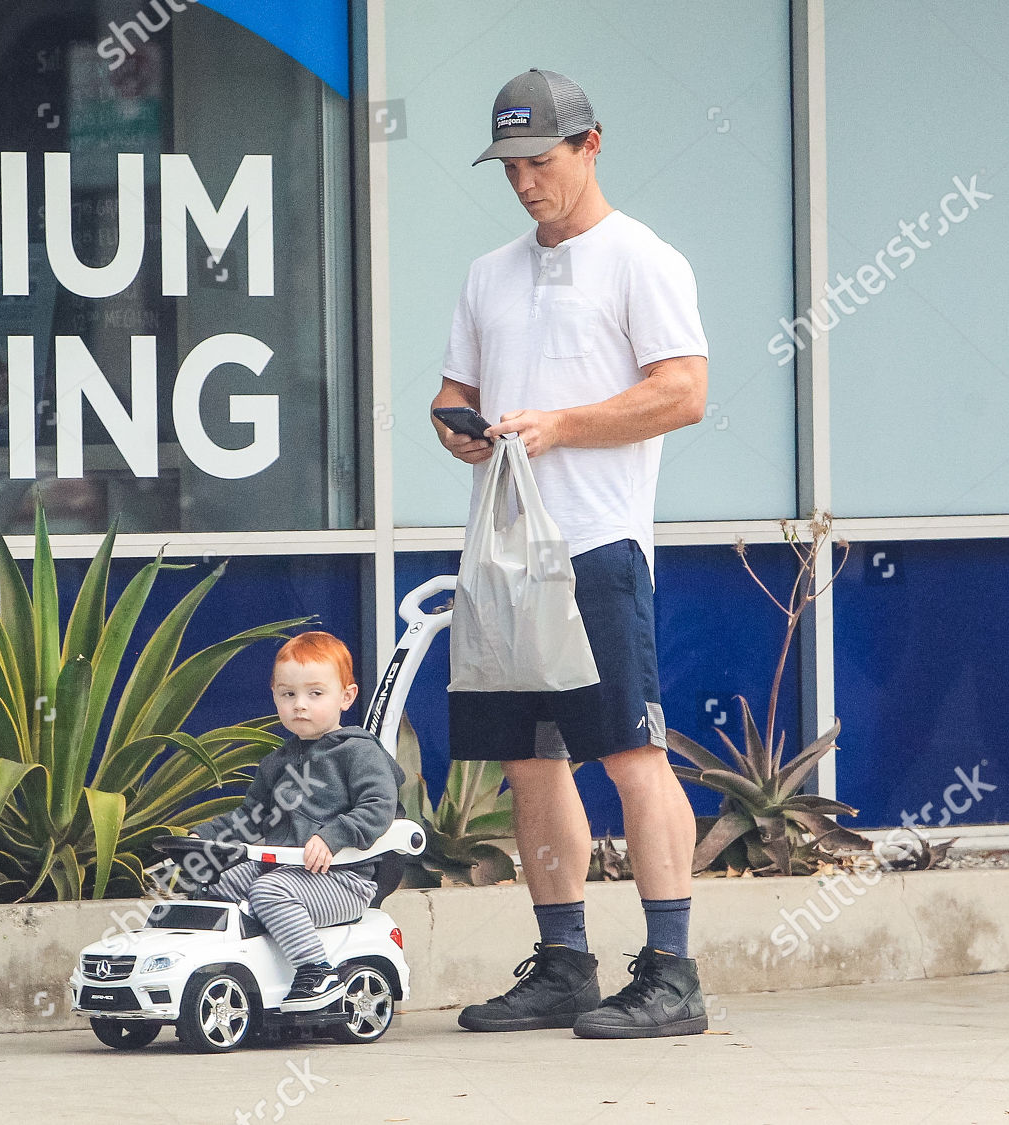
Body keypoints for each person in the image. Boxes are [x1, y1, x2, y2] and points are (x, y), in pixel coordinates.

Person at [431, 68, 710, 1039]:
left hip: (596, 548)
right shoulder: (487, 273)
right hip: (504, 557)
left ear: (592, 146)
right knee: (530, 764)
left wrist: (563, 426)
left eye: (539, 161)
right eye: (508, 164)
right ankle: (564, 964)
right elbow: (447, 396)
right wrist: (459, 430)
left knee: (633, 753)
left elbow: (683, 392)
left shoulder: (644, 260)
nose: (522, 182)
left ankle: (673, 974)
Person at [190, 631, 405, 1003]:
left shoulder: (358, 753)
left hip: (343, 881)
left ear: (346, 697)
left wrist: (334, 835)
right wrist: (201, 838)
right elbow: (251, 818)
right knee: (212, 885)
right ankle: (234, 966)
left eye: (315, 694)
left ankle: (316, 972)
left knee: (267, 891)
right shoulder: (277, 762)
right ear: (274, 694)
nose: (299, 705)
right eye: (288, 694)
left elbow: (378, 807)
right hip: (282, 872)